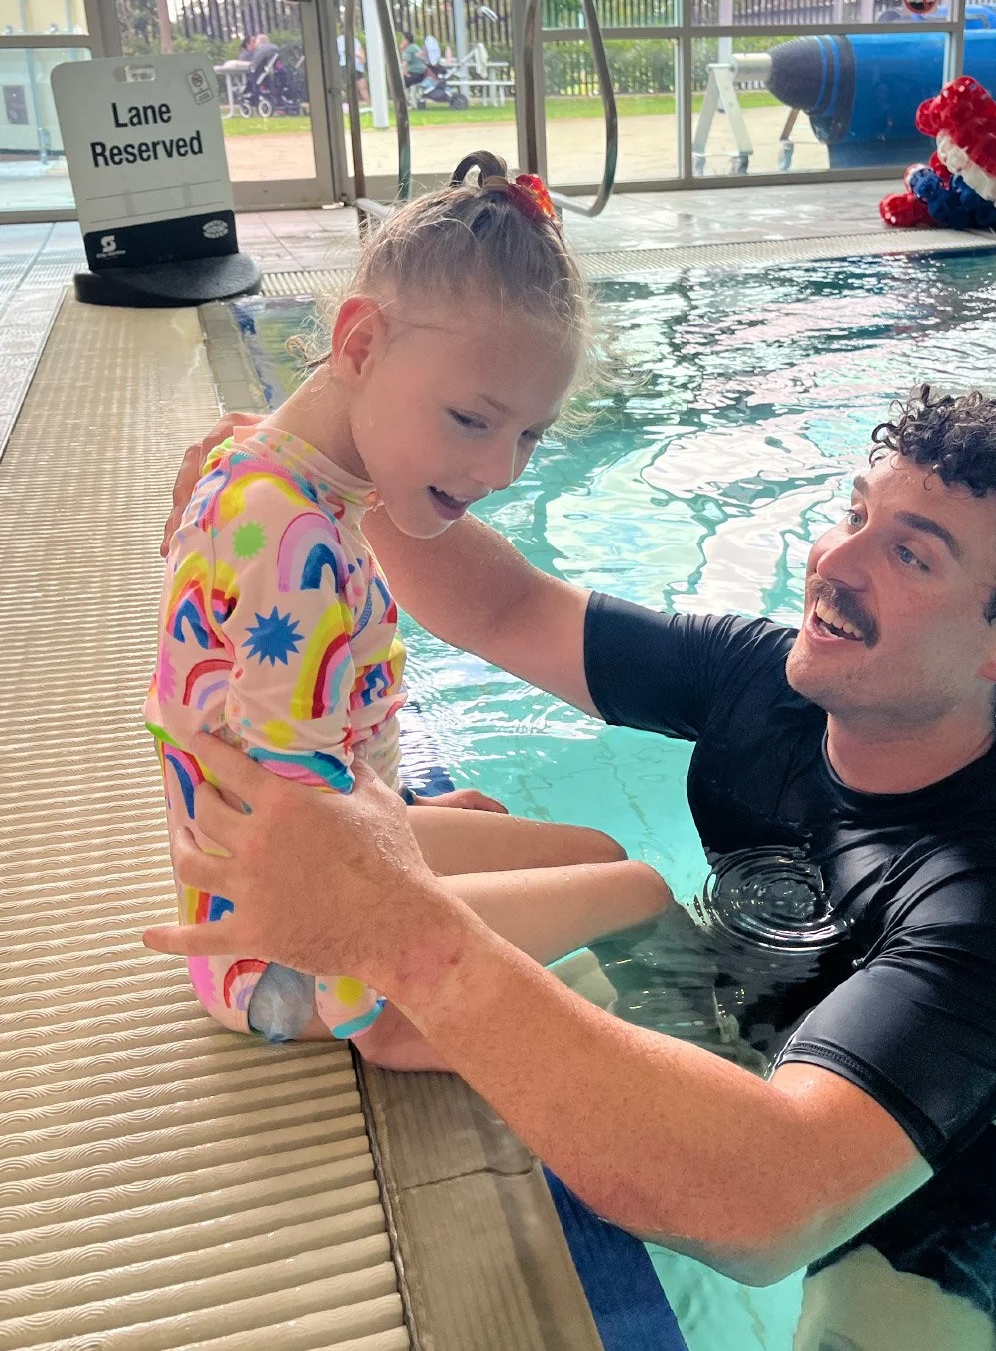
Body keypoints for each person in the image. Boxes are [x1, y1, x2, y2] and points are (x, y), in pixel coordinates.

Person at [150, 386, 996, 1350]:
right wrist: (336, 473)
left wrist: (411, 942)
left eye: (911, 556)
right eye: (856, 512)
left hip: (908, 1177)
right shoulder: (767, 682)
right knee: (598, 883)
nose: (836, 564)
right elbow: (508, 610)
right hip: (733, 998)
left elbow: (767, 1205)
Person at [144, 151, 671, 1072]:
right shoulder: (293, 543)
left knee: (591, 848)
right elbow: (294, 819)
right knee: (642, 892)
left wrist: (402, 809)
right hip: (282, 954)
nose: (503, 469)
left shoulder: (270, 470)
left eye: (529, 435)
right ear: (358, 345)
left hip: (315, 869)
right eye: (473, 419)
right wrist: (383, 1001)